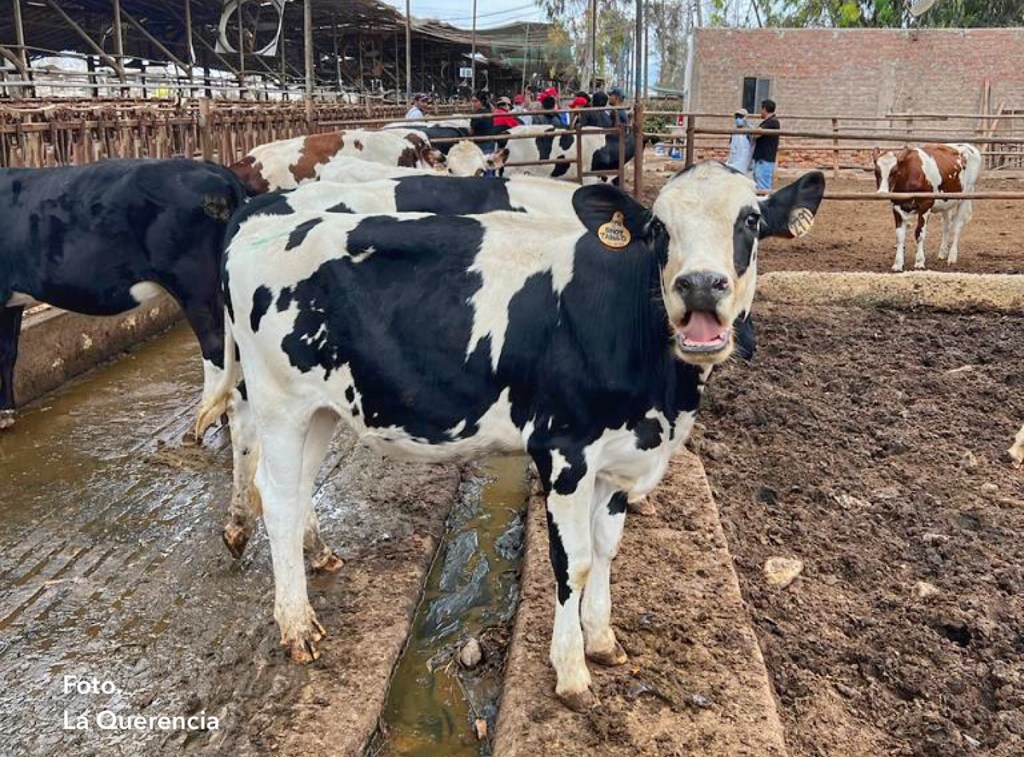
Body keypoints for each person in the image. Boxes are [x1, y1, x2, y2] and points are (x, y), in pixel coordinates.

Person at [752, 99, 780, 190]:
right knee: (759, 183)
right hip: (762, 158)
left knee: (763, 185)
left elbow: (756, 134)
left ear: (765, 109)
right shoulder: (768, 122)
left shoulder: (772, 122)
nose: (761, 112)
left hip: (765, 159)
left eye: (761, 109)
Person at [726, 108, 754, 174]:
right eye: (736, 117)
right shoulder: (734, 130)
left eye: (740, 117)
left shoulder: (750, 130)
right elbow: (732, 146)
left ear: (745, 118)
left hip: (744, 161)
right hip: (733, 160)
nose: (738, 119)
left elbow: (752, 146)